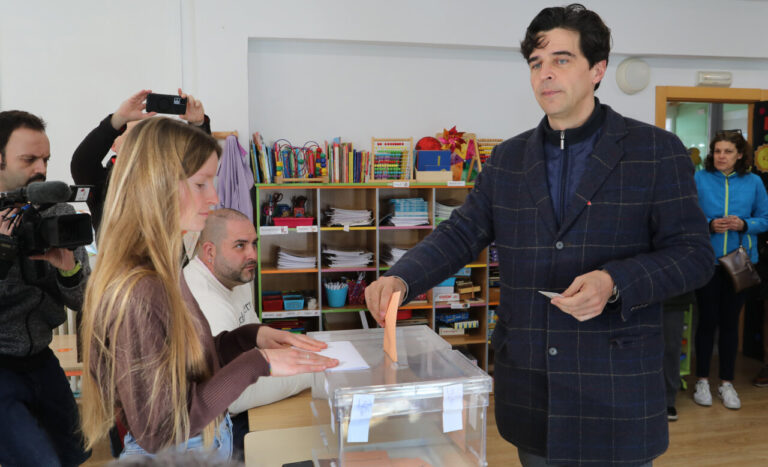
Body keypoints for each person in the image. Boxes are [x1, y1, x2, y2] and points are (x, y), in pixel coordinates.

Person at [364, 4, 714, 466]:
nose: (545, 74)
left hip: (616, 387)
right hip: (532, 385)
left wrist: (614, 282)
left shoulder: (655, 152)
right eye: (536, 63)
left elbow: (693, 256)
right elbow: (463, 232)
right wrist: (403, 279)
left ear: (597, 70)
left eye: (561, 60)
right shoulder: (507, 159)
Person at [79, 117, 338, 459]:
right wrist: (257, 362)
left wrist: (248, 338)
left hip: (206, 443)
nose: (215, 197)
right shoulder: (141, 288)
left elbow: (185, 365)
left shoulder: (163, 269)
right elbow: (159, 430)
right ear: (158, 186)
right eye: (201, 184)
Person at [183, 208, 312, 459]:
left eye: (254, 244)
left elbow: (257, 345)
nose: (252, 254)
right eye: (240, 246)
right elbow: (236, 398)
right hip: (214, 431)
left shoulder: (234, 277)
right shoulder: (205, 301)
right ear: (210, 252)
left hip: (238, 406)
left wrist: (302, 353)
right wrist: (311, 372)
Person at [0, 110, 91, 466]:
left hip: (42, 360)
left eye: (46, 159)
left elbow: (82, 298)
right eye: (29, 159)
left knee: (74, 456)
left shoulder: (58, 213)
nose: (41, 168)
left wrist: (68, 269)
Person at [692, 130, 768, 410]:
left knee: (729, 324)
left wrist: (744, 225)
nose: (721, 156)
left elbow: (765, 219)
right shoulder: (699, 178)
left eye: (727, 151)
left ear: (739, 155)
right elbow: (687, 216)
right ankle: (702, 381)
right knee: (707, 321)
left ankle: (726, 382)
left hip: (739, 263)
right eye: (717, 151)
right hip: (706, 262)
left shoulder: (754, 182)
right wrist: (710, 224)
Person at [70, 88, 211, 233]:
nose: (141, 142)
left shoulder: (168, 176)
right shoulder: (104, 181)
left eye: (146, 136)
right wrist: (118, 119)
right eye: (133, 135)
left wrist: (198, 125)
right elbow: (82, 162)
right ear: (113, 144)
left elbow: (200, 165)